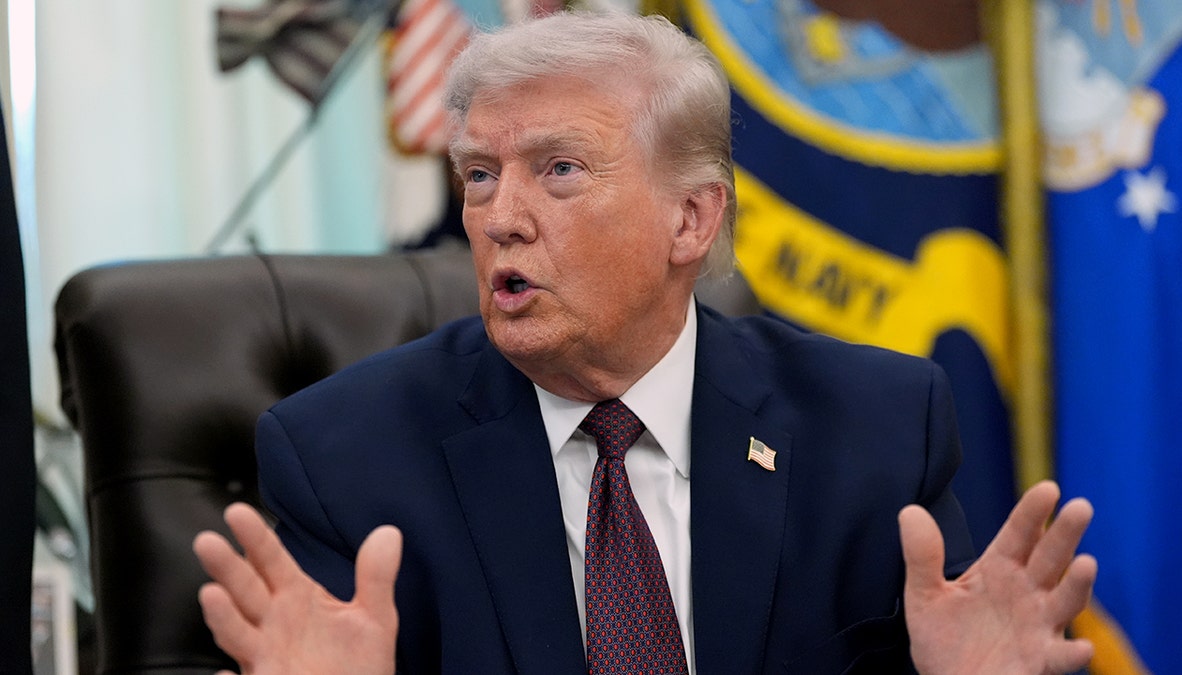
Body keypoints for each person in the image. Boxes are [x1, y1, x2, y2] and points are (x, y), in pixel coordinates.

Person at [192, 11, 1097, 675]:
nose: (500, 217)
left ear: (692, 218)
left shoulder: (873, 427)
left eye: (559, 171)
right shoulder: (345, 457)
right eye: (478, 175)